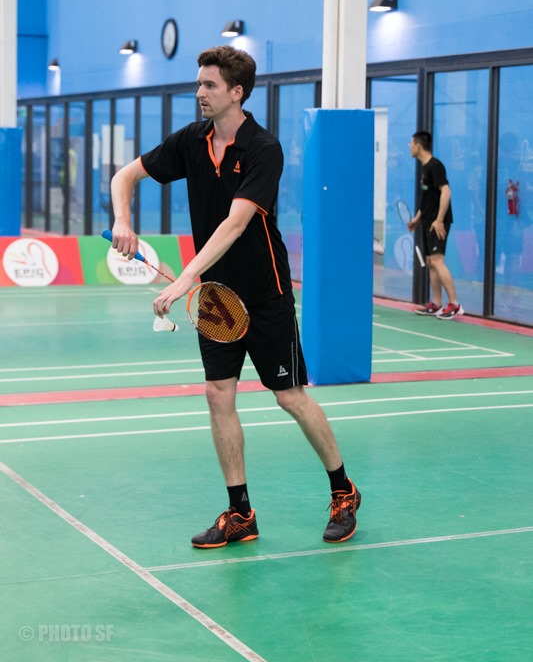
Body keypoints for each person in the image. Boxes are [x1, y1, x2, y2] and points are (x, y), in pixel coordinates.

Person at [109, 45, 361, 547]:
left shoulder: (263, 149)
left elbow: (235, 223)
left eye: (210, 85)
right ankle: (240, 512)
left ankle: (343, 490)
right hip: (217, 297)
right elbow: (125, 176)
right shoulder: (192, 140)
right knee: (217, 393)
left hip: (264, 293)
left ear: (237, 92)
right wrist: (123, 219)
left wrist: (185, 277)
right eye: (199, 83)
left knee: (289, 396)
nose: (199, 92)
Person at [408, 130, 464, 319]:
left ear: (418, 146)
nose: (409, 146)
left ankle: (454, 304)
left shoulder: (435, 166)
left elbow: (446, 192)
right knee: (431, 262)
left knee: (438, 261)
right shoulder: (424, 169)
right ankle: (437, 304)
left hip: (437, 222)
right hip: (427, 221)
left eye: (411, 143)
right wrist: (417, 219)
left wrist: (439, 220)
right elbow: (427, 199)